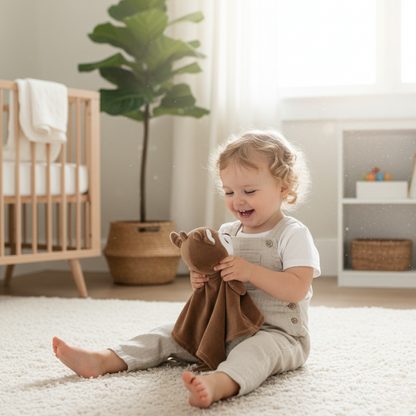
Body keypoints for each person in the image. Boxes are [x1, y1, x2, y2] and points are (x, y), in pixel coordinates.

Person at [53, 129, 320, 409]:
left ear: (283, 187)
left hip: (277, 334)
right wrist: (201, 278)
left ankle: (219, 383)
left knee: (256, 352)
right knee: (169, 333)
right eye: (229, 191)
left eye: (249, 191)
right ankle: (104, 359)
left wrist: (250, 272)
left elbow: (297, 288)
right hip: (223, 328)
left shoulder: (292, 233)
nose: (237, 200)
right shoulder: (228, 232)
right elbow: (217, 281)